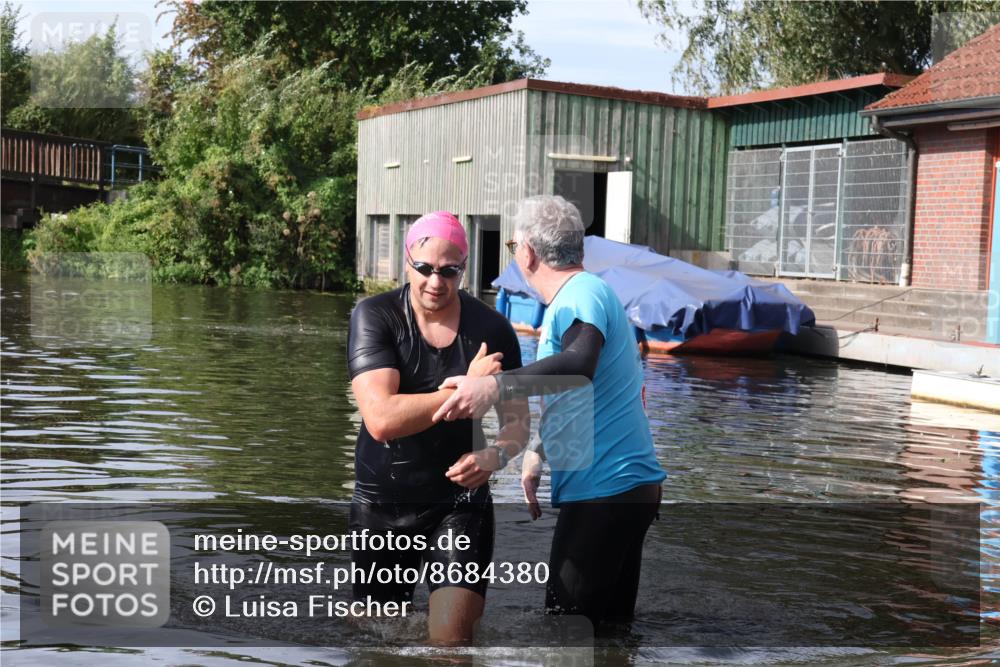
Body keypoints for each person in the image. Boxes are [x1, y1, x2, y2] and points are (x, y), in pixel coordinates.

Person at [432, 195, 666, 633]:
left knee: (566, 632)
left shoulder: (581, 293)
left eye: (511, 248)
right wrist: (537, 451)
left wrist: (493, 385)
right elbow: (592, 394)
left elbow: (580, 364)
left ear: (528, 252)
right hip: (627, 488)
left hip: (607, 491)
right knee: (611, 634)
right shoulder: (586, 295)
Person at [347, 211, 528, 644]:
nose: (435, 281)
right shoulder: (375, 317)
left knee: (451, 645)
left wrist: (496, 455)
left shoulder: (493, 330)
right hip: (382, 504)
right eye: (425, 268)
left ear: (463, 269)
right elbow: (382, 419)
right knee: (375, 642)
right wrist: (467, 388)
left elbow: (517, 422)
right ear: (407, 262)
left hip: (460, 504)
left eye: (449, 271)